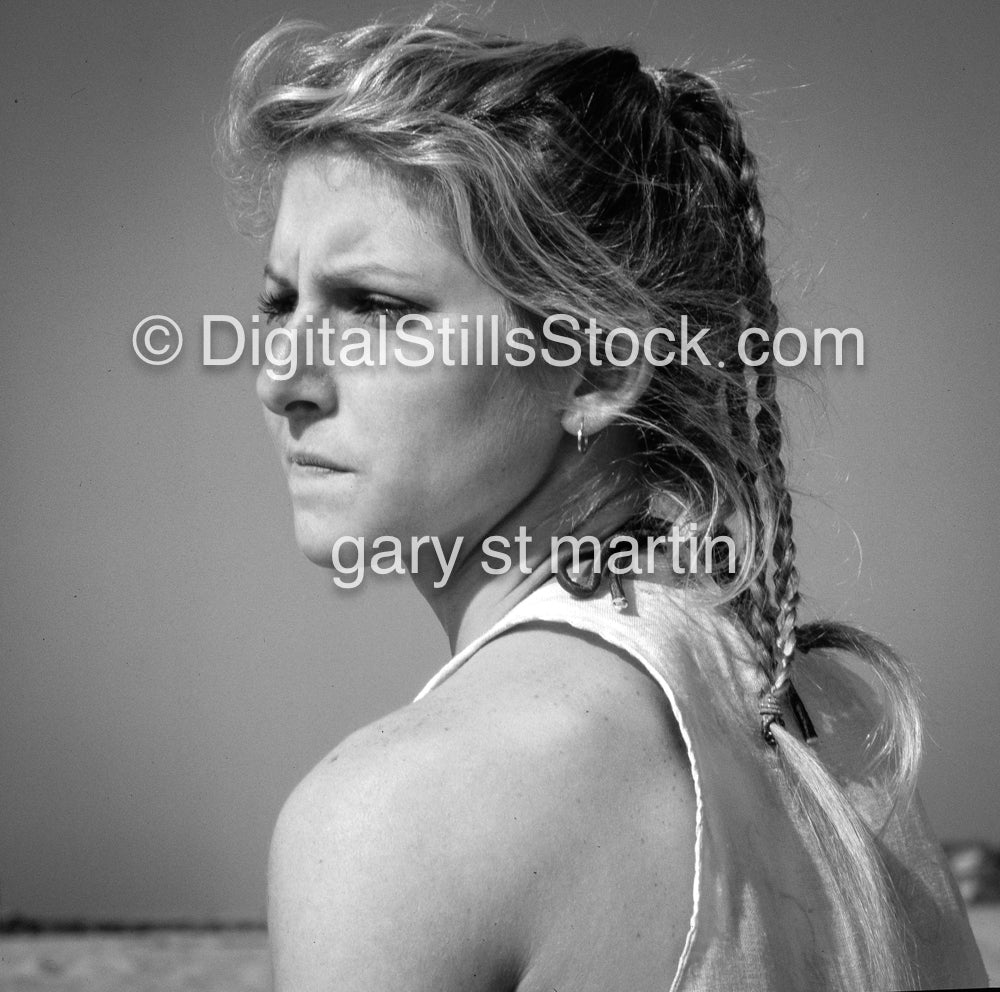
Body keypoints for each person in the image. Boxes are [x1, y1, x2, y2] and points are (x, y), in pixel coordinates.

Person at [219, 14, 988, 991]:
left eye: (377, 307)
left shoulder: (399, 813)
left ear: (597, 368)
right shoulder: (835, 726)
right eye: (279, 303)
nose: (281, 373)